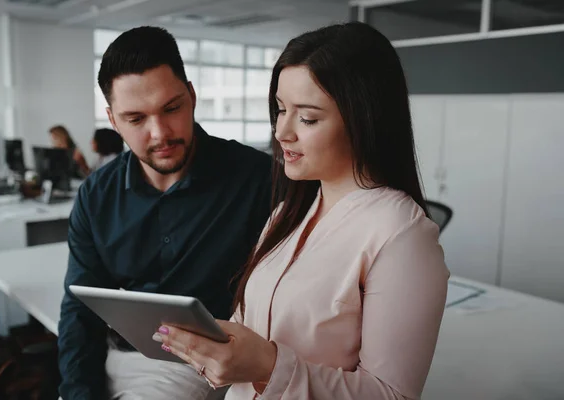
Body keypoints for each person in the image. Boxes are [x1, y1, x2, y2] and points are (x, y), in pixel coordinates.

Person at [153, 22, 450, 399]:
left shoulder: (401, 234)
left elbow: (391, 395)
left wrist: (267, 366)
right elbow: (255, 328)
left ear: (364, 120)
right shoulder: (287, 214)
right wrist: (217, 348)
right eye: (279, 110)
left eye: (307, 118)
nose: (281, 131)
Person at [57, 26, 272, 400]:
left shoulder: (258, 179)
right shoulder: (96, 194)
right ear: (113, 120)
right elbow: (80, 311)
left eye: (171, 108)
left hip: (199, 366)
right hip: (116, 355)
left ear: (191, 95)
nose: (159, 133)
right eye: (136, 119)